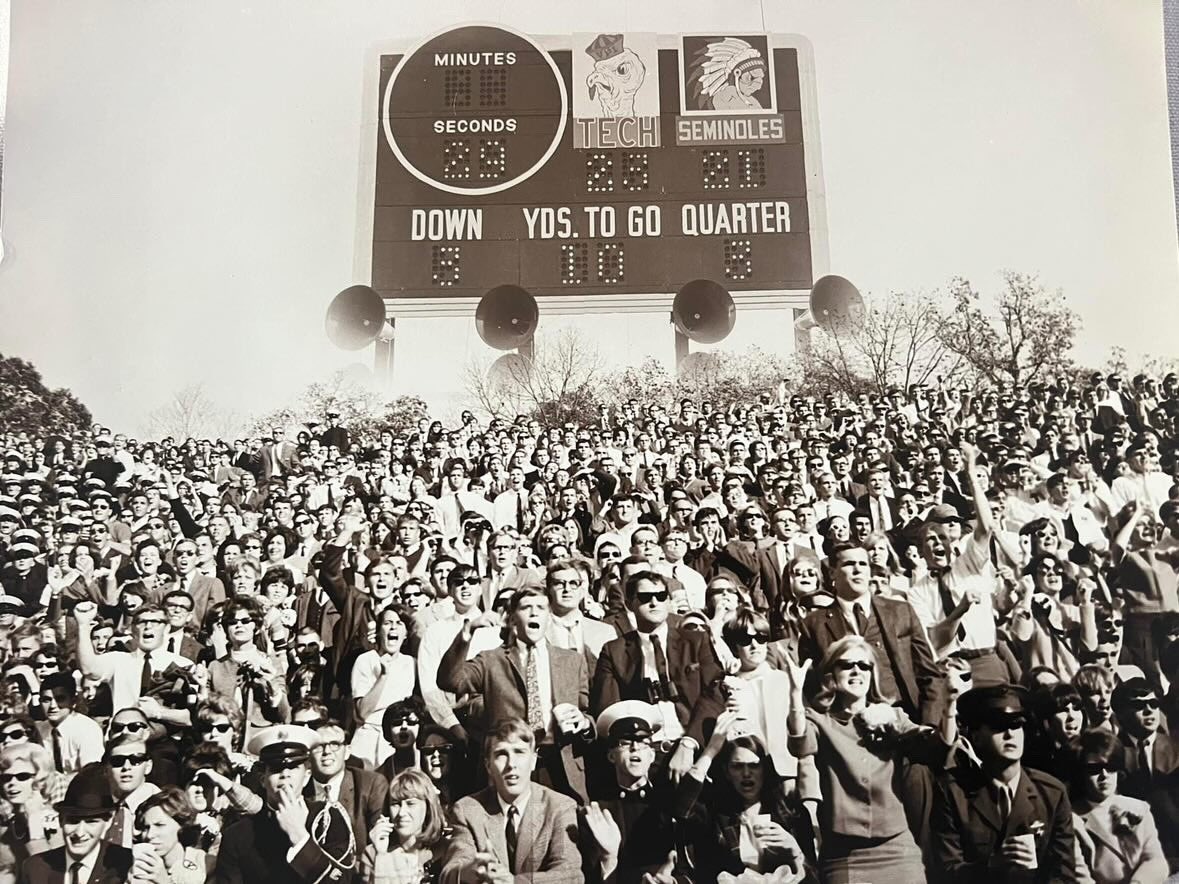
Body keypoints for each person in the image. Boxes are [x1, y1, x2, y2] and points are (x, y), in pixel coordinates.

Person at [786, 636, 954, 883]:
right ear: (832, 673)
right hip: (845, 856)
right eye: (847, 664)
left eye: (864, 666)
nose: (857, 670)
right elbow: (800, 745)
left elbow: (933, 747)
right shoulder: (820, 721)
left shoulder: (893, 716)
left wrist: (950, 706)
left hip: (897, 849)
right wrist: (794, 693)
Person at [438, 587, 594, 802]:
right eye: (526, 608)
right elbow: (450, 681)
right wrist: (467, 633)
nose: (534, 613)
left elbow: (586, 712)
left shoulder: (572, 660)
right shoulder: (491, 660)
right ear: (511, 619)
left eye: (540, 608)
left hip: (559, 767)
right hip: (510, 765)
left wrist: (584, 722)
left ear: (549, 617)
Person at [932, 683, 1077, 883]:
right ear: (976, 737)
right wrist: (992, 865)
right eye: (998, 726)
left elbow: (1064, 874)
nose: (1010, 734)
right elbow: (946, 872)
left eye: (1016, 724)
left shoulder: (1052, 793)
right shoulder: (954, 792)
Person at [591, 571, 726, 782]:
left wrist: (689, 743)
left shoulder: (696, 641)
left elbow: (714, 694)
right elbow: (609, 710)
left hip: (694, 747)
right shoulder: (613, 651)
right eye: (645, 598)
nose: (654, 602)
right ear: (629, 603)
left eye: (661, 596)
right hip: (644, 756)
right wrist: (638, 755)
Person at [797, 542, 942, 724]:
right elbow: (812, 686)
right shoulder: (813, 624)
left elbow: (929, 674)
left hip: (908, 718)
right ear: (833, 573)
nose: (858, 569)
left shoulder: (901, 611)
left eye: (863, 564)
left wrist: (930, 724)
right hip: (850, 729)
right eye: (849, 564)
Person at [439, 718, 583, 884]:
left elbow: (570, 874)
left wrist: (514, 882)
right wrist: (469, 871)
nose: (511, 764)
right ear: (488, 766)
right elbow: (449, 872)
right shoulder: (468, 810)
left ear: (533, 760)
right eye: (501, 754)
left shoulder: (560, 807)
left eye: (519, 752)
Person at [213, 725, 356, 884]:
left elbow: (342, 880)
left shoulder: (328, 820)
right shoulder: (237, 835)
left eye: (293, 767)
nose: (285, 775)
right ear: (262, 779)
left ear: (307, 775)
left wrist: (300, 837)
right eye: (276, 768)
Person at [679, 710, 810, 883]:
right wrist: (710, 751)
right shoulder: (716, 814)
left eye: (754, 766)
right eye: (737, 766)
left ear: (765, 769)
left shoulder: (792, 812)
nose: (746, 774)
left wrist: (795, 851)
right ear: (726, 772)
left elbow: (815, 874)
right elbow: (681, 808)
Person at [1069, 729, 1169, 884]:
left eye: (1111, 766)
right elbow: (1080, 878)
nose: (1104, 775)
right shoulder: (1072, 820)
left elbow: (1156, 860)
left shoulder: (1139, 808)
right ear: (1080, 773)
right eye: (1094, 769)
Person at [15, 763, 133, 884]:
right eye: (73, 822)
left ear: (108, 822)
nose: (80, 833)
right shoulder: (35, 868)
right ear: (61, 820)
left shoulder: (125, 865)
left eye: (91, 822)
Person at [302, 720, 387, 855]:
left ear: (347, 752)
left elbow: (378, 840)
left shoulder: (371, 785)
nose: (327, 752)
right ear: (308, 753)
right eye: (318, 746)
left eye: (335, 745)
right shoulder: (301, 788)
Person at [361, 769, 445, 884]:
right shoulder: (372, 853)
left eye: (411, 803)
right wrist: (381, 855)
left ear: (428, 808)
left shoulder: (444, 851)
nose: (401, 812)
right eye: (395, 804)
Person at [128, 786, 207, 884]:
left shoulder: (203, 863)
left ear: (182, 825)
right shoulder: (139, 866)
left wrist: (163, 881)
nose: (149, 835)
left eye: (159, 825)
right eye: (146, 828)